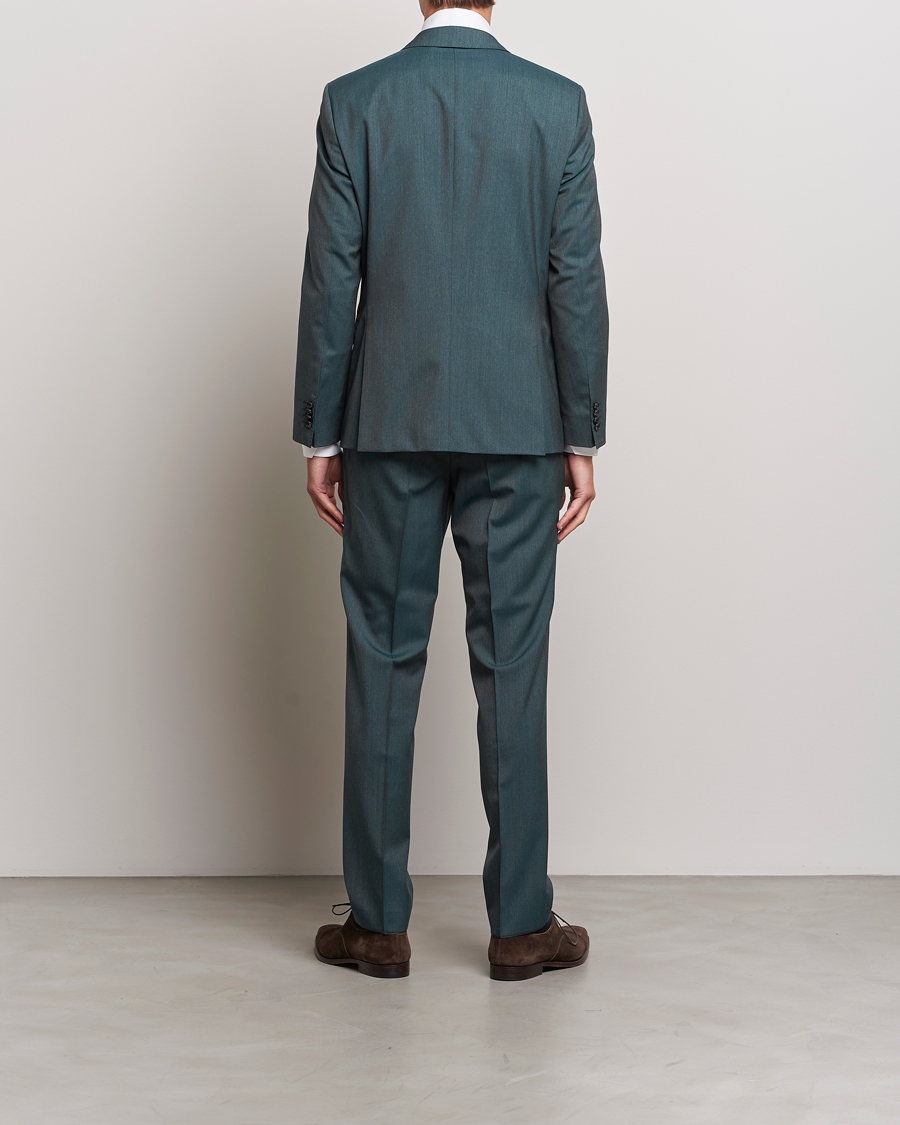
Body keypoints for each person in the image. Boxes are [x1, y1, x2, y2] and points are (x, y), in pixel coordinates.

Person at [295, 0, 608, 981]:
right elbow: (575, 280)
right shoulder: (556, 106)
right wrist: (581, 434)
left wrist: (321, 430)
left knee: (383, 659)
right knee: (513, 663)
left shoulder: (356, 103)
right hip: (519, 426)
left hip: (388, 422)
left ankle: (377, 925)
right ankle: (521, 925)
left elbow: (331, 277)